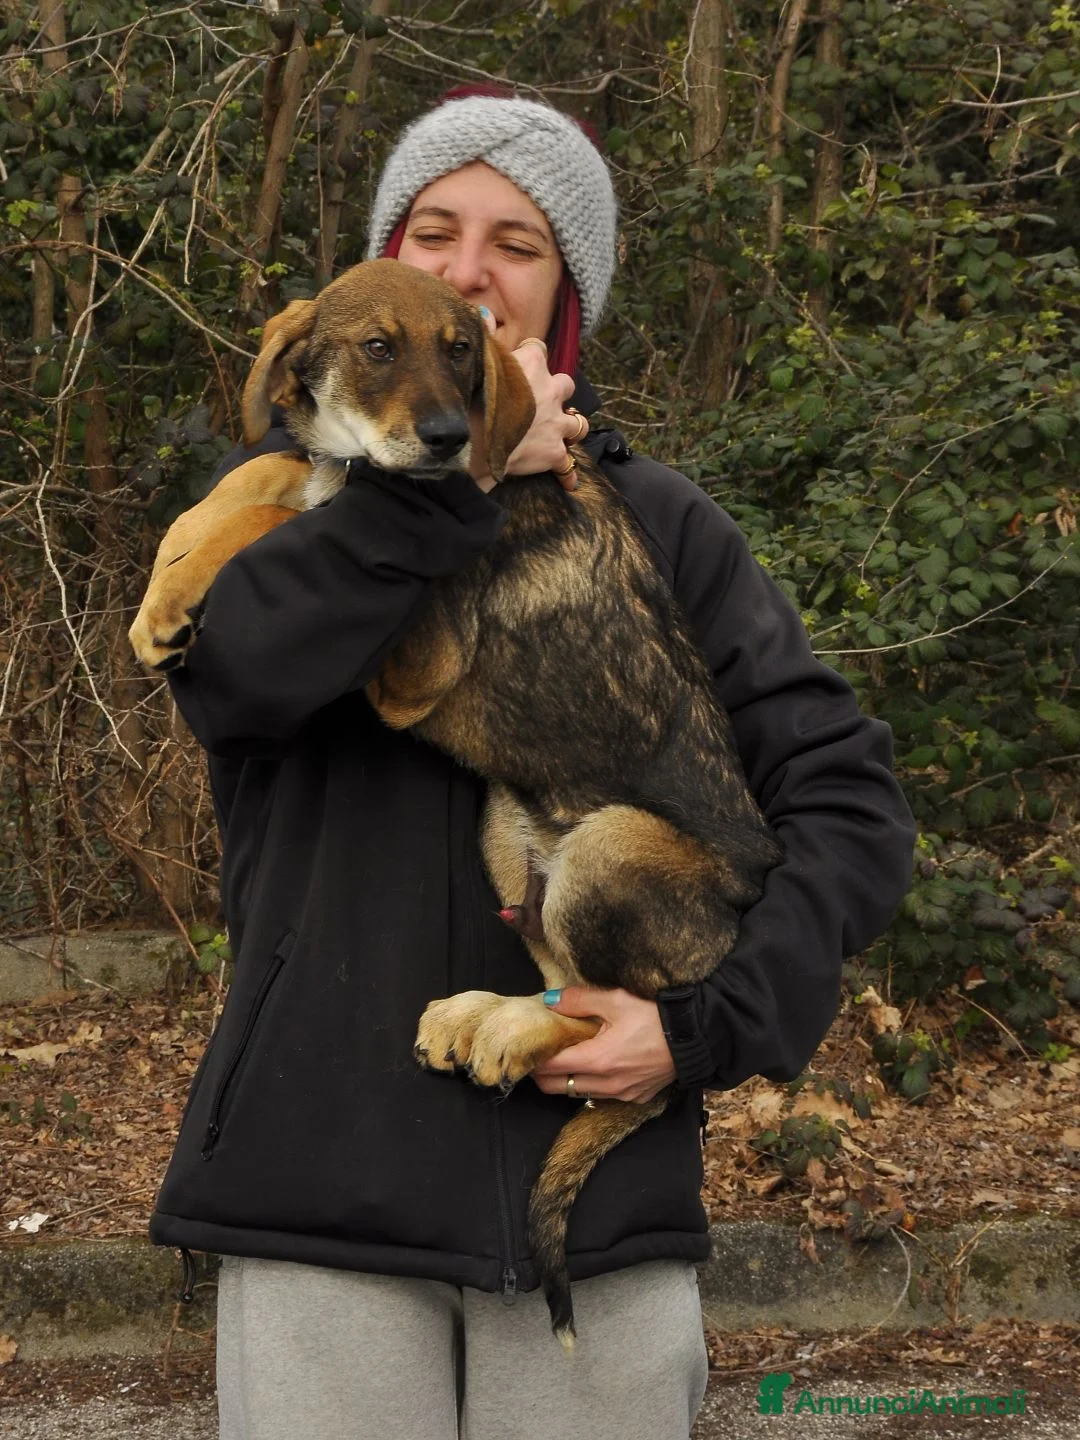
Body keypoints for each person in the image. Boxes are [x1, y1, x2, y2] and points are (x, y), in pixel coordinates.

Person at [149, 88, 916, 1439]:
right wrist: (447, 499)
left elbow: (846, 794)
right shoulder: (276, 519)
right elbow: (238, 683)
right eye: (433, 228)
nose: (466, 267)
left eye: (518, 241)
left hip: (593, 1223)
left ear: (566, 295)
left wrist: (697, 1031)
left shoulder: (659, 523)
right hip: (322, 1186)